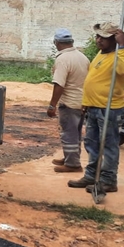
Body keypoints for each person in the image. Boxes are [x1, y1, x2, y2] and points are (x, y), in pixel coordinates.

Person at [68, 22, 124, 193]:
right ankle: (91, 175)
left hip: (109, 109)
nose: (99, 40)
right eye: (97, 36)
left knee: (109, 145)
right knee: (92, 143)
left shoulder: (120, 56)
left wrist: (123, 45)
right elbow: (93, 79)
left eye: (104, 38)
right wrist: (86, 101)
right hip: (94, 107)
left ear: (114, 39)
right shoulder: (101, 54)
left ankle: (108, 180)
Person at [47, 28, 90, 172]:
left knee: (68, 133)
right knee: (76, 133)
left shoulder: (63, 59)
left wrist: (52, 105)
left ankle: (72, 164)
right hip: (81, 102)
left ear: (57, 43)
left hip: (69, 103)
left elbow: (59, 84)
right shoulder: (82, 57)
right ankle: (70, 158)